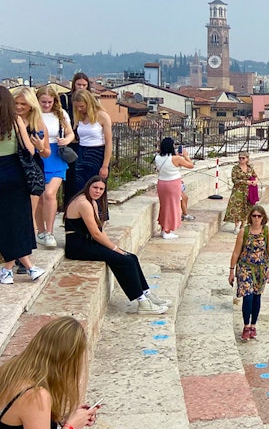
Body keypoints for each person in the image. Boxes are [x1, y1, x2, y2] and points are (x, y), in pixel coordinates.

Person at [0, 316, 128, 429]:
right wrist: (71, 426)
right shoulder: (36, 395)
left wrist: (70, 417)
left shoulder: (12, 369)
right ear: (67, 360)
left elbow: (20, 426)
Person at [64, 176, 168, 314]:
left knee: (132, 257)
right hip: (78, 247)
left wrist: (114, 248)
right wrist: (115, 248)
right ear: (88, 186)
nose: (98, 191)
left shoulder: (92, 202)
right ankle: (142, 302)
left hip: (88, 243)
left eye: (101, 189)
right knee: (123, 260)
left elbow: (99, 230)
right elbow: (95, 233)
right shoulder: (83, 203)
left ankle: (146, 293)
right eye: (95, 188)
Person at [0, 87, 47, 285]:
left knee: (5, 222)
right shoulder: (16, 121)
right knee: (20, 219)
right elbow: (29, 149)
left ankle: (15, 268)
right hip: (15, 174)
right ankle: (20, 268)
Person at [12, 89, 52, 249]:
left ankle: (24, 253)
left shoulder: (38, 124)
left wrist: (41, 147)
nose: (19, 107)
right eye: (16, 103)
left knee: (28, 211)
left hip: (31, 170)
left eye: (23, 104)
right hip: (11, 166)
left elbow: (46, 153)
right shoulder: (8, 121)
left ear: (31, 106)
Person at [228, 205, 269, 340]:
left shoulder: (267, 231)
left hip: (261, 269)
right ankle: (246, 325)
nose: (256, 218)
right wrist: (231, 271)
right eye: (254, 216)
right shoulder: (244, 231)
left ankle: (253, 325)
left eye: (259, 216)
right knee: (247, 296)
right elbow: (236, 251)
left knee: (256, 297)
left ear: (263, 218)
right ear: (250, 217)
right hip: (245, 267)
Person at [33, 85, 72, 248]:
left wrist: (66, 140)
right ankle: (40, 231)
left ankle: (49, 231)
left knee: (50, 194)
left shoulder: (61, 114)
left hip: (56, 155)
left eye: (50, 102)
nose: (47, 105)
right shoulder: (33, 114)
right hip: (38, 155)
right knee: (39, 196)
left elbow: (71, 133)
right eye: (44, 102)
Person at [70, 89, 112, 222]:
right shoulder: (80, 117)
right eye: (77, 107)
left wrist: (105, 165)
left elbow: (109, 143)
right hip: (82, 154)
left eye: (82, 106)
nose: (80, 109)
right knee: (81, 190)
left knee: (97, 190)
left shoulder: (102, 116)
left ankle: (99, 221)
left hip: (98, 154)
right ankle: (83, 220)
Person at [59, 73, 90, 207]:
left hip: (84, 144)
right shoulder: (65, 99)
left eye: (84, 85)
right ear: (74, 85)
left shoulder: (91, 101)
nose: (81, 87)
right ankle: (68, 208)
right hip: (68, 143)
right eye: (79, 84)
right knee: (69, 178)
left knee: (82, 178)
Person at [154, 137, 194, 240]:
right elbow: (190, 165)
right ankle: (167, 231)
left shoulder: (157, 157)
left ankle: (164, 228)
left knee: (164, 206)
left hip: (162, 183)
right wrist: (186, 156)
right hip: (173, 184)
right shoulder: (176, 159)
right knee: (172, 207)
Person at [223, 152, 258, 233]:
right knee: (237, 208)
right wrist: (247, 182)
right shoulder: (235, 168)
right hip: (238, 191)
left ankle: (243, 226)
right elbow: (234, 180)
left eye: (243, 158)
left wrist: (255, 181)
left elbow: (255, 176)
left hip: (248, 191)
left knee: (247, 208)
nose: (241, 160)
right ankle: (236, 227)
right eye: (240, 158)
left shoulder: (250, 168)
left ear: (247, 159)